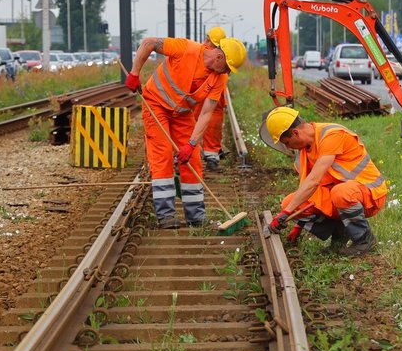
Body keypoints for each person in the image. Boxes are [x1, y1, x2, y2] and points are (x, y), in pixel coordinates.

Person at [125, 34, 246, 228]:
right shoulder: (185, 48)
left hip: (182, 113)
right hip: (156, 105)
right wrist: (134, 73)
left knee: (192, 159)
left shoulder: (220, 78)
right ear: (219, 58)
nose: (227, 73)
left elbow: (206, 113)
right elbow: (149, 43)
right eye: (227, 68)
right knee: (162, 154)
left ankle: (195, 216)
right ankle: (165, 215)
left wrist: (191, 144)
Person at [264, 106, 386, 255]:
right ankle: (339, 236)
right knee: (289, 203)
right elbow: (307, 188)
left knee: (340, 193)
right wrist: (297, 224)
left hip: (369, 194)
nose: (288, 147)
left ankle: (364, 240)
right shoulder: (303, 151)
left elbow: (314, 180)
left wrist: (284, 214)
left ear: (296, 133)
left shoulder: (331, 135)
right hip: (340, 198)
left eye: (287, 143)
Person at [195, 26, 230, 171]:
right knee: (192, 124)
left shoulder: (217, 55)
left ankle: (211, 157)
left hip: (214, 97)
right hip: (198, 95)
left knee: (212, 125)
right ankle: (193, 156)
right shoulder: (199, 52)